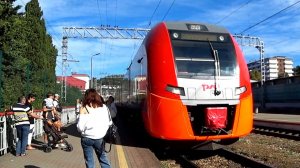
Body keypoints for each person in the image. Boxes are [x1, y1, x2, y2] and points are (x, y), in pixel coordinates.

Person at [77, 89, 111, 168]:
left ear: (86, 97)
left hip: (86, 138)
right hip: (99, 138)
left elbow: (80, 128)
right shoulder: (104, 107)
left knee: (89, 161)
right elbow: (109, 123)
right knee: (103, 159)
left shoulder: (84, 108)